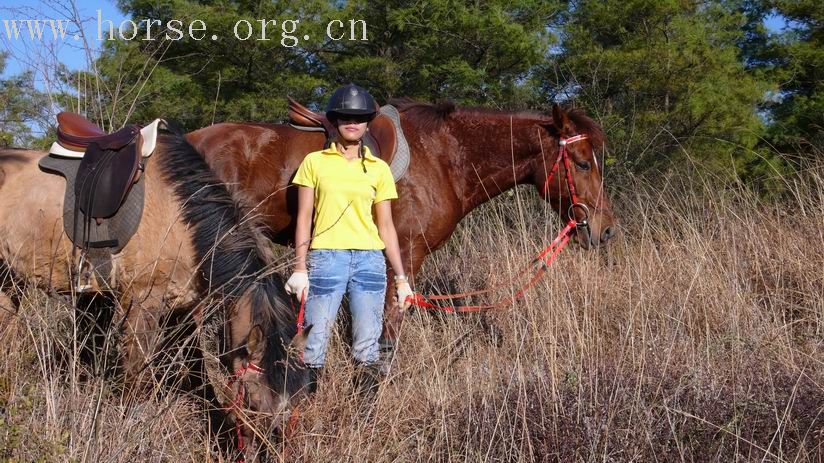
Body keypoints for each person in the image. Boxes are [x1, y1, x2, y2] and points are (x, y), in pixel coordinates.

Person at [284, 83, 413, 400]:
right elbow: (303, 219)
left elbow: (385, 226)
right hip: (327, 258)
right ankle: (309, 411)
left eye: (358, 117)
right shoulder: (315, 163)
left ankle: (363, 421)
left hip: (370, 261)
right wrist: (300, 268)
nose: (351, 122)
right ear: (335, 121)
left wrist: (400, 278)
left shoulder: (379, 169)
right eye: (344, 117)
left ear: (368, 122)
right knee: (314, 343)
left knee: (367, 344)